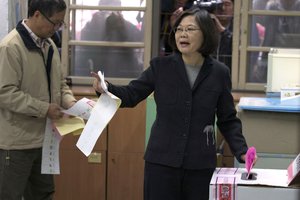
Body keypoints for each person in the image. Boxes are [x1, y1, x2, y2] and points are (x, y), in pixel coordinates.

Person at [92, 7, 256, 200]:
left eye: (190, 29)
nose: (182, 34)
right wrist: (106, 87)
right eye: (179, 29)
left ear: (206, 33)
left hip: (200, 166)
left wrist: (242, 151)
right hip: (161, 163)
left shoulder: (219, 73)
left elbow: (227, 119)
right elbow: (131, 95)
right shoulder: (160, 67)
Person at [0, 0, 77, 199]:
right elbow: (5, 93)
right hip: (17, 144)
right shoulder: (10, 47)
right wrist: (44, 109)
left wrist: (71, 103)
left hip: (45, 141)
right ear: (36, 15)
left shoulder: (49, 45)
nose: (57, 28)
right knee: (11, 195)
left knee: (44, 194)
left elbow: (60, 84)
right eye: (55, 23)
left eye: (61, 24)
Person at [75, 0, 143, 77]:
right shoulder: (91, 25)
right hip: (102, 77)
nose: (110, 13)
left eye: (114, 6)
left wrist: (122, 28)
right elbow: (82, 58)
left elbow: (139, 44)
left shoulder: (126, 26)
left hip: (125, 76)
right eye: (107, 7)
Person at [251, 0, 300, 82]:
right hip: (276, 53)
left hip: (296, 54)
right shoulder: (272, 6)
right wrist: (261, 62)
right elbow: (268, 37)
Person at [211, 0, 234, 74]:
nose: (223, 8)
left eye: (227, 4)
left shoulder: (241, 25)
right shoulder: (205, 25)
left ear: (234, 8)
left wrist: (223, 31)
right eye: (219, 5)